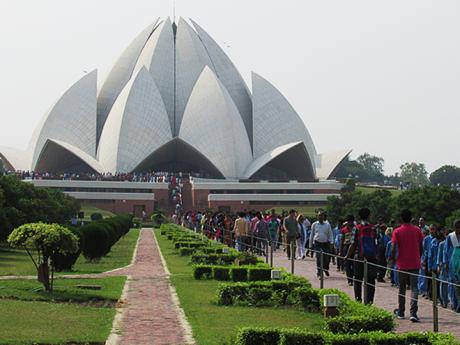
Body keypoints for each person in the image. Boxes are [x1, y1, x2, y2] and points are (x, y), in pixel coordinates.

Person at [390, 209, 424, 322]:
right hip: (414, 262)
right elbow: (421, 246)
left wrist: (392, 259)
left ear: (401, 218)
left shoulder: (397, 231)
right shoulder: (417, 230)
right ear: (411, 218)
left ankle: (401, 311)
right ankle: (413, 313)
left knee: (402, 288)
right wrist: (419, 256)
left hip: (402, 263)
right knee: (414, 288)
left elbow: (393, 248)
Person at [347, 208, 378, 304]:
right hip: (372, 258)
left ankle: (358, 300)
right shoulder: (374, 228)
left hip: (359, 257)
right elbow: (377, 242)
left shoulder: (356, 228)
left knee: (357, 280)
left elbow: (353, 244)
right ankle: (369, 302)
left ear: (359, 217)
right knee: (371, 281)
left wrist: (347, 256)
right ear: (369, 216)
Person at [310, 211, 333, 278]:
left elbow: (330, 234)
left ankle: (325, 268)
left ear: (324, 217)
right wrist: (310, 245)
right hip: (317, 243)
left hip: (326, 243)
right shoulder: (314, 224)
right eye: (319, 215)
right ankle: (319, 272)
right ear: (317, 216)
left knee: (326, 258)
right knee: (319, 258)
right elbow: (312, 234)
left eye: (321, 215)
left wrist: (331, 242)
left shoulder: (327, 225)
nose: (320, 217)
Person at [444, 220, 460, 313]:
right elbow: (446, 251)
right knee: (453, 283)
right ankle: (454, 303)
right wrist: (445, 263)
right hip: (452, 263)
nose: (458, 229)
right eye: (457, 227)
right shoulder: (451, 237)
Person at [340, 215, 355, 285]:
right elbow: (342, 240)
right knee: (348, 264)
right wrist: (340, 250)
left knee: (354, 264)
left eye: (351, 221)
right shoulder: (344, 230)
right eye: (348, 221)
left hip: (354, 248)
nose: (350, 223)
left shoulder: (355, 229)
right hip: (346, 247)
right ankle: (350, 279)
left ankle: (353, 277)